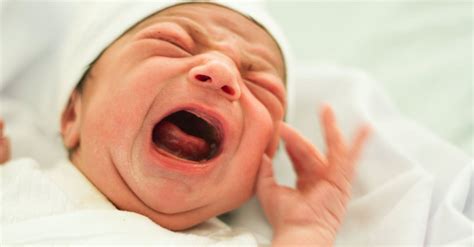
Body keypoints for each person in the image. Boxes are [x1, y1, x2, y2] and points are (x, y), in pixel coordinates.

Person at [1, 2, 369, 245]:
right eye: (173, 43)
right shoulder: (15, 184)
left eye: (261, 85)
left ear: (261, 166)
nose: (222, 73)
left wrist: (306, 232)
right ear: (71, 115)